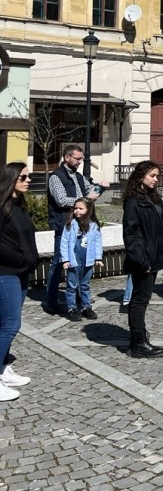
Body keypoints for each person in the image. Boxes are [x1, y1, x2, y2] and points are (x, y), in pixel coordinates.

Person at [44, 144, 108, 314]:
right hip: (64, 225)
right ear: (67, 157)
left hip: (83, 226)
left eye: (81, 159)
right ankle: (50, 301)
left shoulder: (79, 176)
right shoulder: (56, 177)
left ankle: (81, 299)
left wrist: (100, 188)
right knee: (59, 262)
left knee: (80, 263)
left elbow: (90, 192)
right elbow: (61, 200)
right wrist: (86, 198)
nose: (80, 161)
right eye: (77, 158)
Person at [0, 162, 39, 401]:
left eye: (29, 176)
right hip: (6, 272)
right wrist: (22, 258)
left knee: (4, 322)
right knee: (11, 324)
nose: (28, 180)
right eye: (23, 177)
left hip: (22, 271)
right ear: (11, 179)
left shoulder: (19, 206)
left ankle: (3, 369)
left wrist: (28, 260)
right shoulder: (2, 208)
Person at [122, 161, 163, 359]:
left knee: (143, 299)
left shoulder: (153, 198)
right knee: (139, 300)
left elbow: (158, 230)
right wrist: (141, 259)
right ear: (141, 177)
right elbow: (131, 235)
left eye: (157, 176)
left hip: (153, 256)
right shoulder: (133, 202)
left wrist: (162, 250)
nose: (156, 179)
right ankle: (139, 343)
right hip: (143, 259)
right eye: (152, 176)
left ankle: (136, 340)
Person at [60, 198, 103, 321]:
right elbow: (64, 242)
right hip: (73, 261)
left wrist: (98, 257)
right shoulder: (70, 224)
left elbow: (97, 243)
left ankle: (86, 307)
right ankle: (71, 308)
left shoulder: (94, 226)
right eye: (75, 208)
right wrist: (65, 260)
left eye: (80, 208)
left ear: (88, 210)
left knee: (85, 285)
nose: (77, 211)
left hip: (88, 261)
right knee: (71, 285)